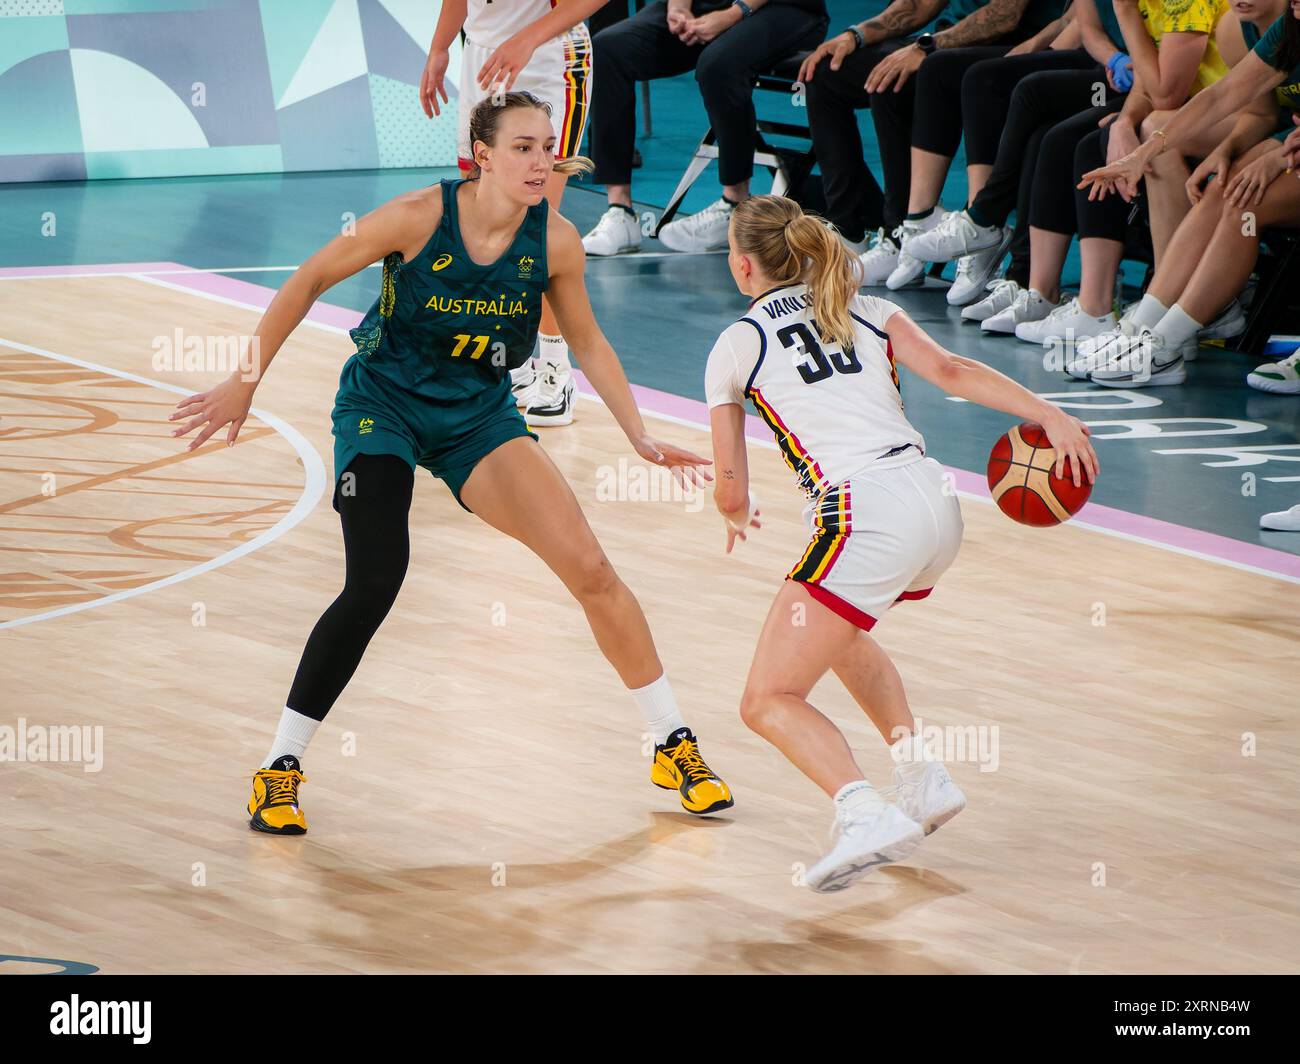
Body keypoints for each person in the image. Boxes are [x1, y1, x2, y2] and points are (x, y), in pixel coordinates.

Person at [169, 94, 734, 835]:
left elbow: (589, 342)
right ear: (483, 153)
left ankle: (673, 745)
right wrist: (244, 379)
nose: (542, 162)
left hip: (478, 421)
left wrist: (638, 435)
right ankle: (281, 768)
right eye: (525, 148)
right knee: (375, 579)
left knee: (593, 571)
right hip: (383, 409)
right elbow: (308, 278)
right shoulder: (417, 217)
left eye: (549, 148)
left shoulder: (555, 241)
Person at [704, 194, 1097, 891]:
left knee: (767, 697)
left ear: (742, 266)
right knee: (841, 634)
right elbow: (952, 371)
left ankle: (863, 812)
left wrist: (736, 512)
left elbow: (730, 490)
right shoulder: (867, 307)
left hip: (863, 513)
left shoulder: (739, 341)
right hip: (934, 502)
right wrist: (1047, 411)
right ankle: (919, 772)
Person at [1077, 2, 1300, 386]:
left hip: (1288, 151)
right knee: (1224, 190)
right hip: (1288, 147)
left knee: (1244, 206)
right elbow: (1221, 96)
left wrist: (1275, 154)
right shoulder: (1286, 29)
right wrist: (1140, 156)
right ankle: (1145, 330)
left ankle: (1164, 345)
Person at [420, 0, 607, 425]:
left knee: (534, 224)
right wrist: (441, 47)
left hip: (549, 56)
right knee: (477, 216)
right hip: (482, 54)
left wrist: (526, 38)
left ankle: (558, 368)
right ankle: (512, 364)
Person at [797, 0, 1067, 290]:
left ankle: (979, 224)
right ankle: (858, 233)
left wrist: (926, 47)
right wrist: (855, 35)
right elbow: (918, 4)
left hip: (1016, 47)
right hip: (948, 41)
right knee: (828, 74)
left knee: (938, 71)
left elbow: (1003, 16)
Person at [580, 0, 830, 257]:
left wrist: (735, 13)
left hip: (783, 9)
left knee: (718, 65)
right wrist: (678, 8)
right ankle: (620, 212)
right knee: (608, 48)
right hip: (709, 6)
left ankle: (735, 203)